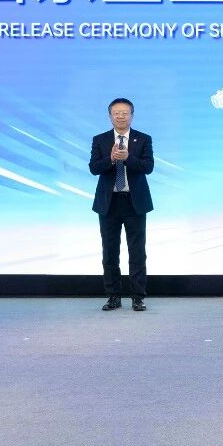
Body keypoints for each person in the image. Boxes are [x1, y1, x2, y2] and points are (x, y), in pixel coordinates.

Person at [89, 98, 154, 311]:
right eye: (116, 113)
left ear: (132, 115)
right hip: (109, 203)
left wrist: (127, 158)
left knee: (137, 252)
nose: (120, 116)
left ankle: (138, 297)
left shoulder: (143, 139)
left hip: (135, 203)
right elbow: (93, 168)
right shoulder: (100, 140)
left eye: (125, 113)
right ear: (110, 116)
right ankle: (113, 296)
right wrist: (110, 159)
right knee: (110, 252)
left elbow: (148, 167)